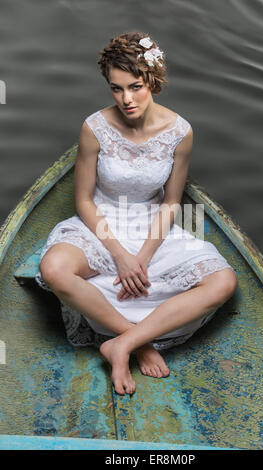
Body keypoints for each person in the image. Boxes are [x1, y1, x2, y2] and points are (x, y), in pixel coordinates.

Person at [35, 31, 238, 396]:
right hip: (101, 222)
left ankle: (120, 343)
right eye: (116, 89)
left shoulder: (180, 132)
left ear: (153, 80)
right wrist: (120, 256)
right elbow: (83, 201)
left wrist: (141, 258)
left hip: (151, 224)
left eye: (135, 86)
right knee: (54, 269)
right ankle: (136, 340)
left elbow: (171, 203)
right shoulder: (94, 127)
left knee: (223, 282)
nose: (126, 99)